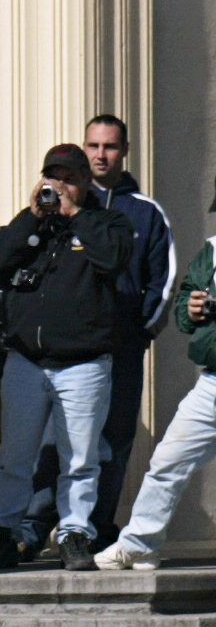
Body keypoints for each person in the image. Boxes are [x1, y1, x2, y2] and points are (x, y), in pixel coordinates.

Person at [0, 144, 136, 572]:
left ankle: (74, 534)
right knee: (15, 455)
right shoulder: (33, 227)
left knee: (80, 458)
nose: (59, 185)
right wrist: (32, 217)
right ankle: (3, 534)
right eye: (53, 176)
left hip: (83, 364)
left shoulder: (106, 222)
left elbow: (115, 257)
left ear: (84, 181)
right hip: (27, 362)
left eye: (69, 177)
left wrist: (74, 216)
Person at [26, 115, 178, 547]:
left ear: (124, 151)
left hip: (122, 348)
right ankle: (37, 524)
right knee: (55, 439)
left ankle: (94, 527)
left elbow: (162, 282)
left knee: (112, 440)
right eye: (92, 145)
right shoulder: (62, 205)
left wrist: (138, 333)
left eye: (109, 147)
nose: (99, 154)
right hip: (69, 349)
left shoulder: (145, 211)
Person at [97, 235, 216, 569]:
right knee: (168, 461)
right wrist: (191, 309)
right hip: (213, 381)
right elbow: (182, 306)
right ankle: (139, 544)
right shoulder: (213, 248)